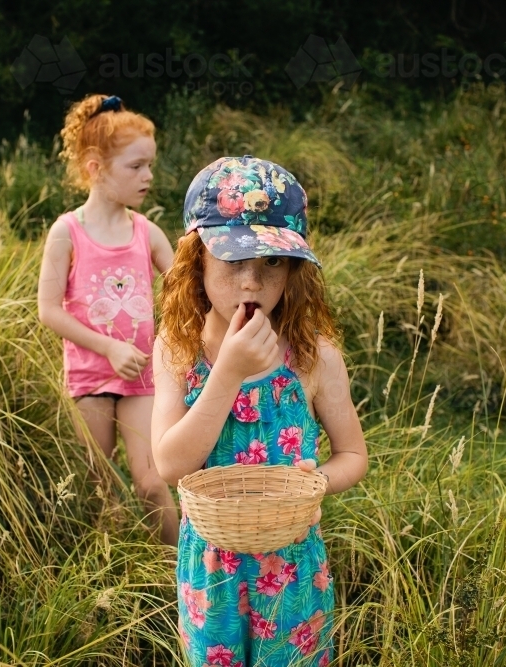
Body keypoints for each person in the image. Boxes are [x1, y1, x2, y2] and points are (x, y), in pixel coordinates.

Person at [151, 155, 368, 666]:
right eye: (232, 261)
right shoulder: (178, 351)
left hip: (292, 565)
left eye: (271, 262)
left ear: (293, 270)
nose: (251, 283)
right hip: (212, 570)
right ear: (195, 262)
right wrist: (226, 372)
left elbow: (353, 453)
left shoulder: (314, 355)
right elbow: (169, 465)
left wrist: (319, 481)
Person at [38, 94, 179, 546]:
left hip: (141, 378)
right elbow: (49, 310)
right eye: (135, 166)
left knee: (152, 482)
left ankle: (182, 572)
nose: (148, 176)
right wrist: (109, 347)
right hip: (90, 378)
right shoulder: (67, 232)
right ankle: (114, 570)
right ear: (96, 167)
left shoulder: (147, 232)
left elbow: (184, 290)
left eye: (150, 165)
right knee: (105, 488)